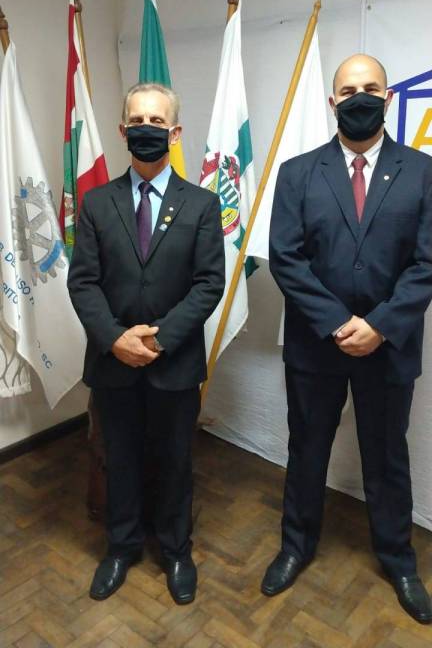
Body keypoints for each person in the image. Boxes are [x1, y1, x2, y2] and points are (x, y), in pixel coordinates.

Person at [263, 54, 432, 624]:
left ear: (388, 98)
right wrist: (338, 322)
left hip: (390, 347)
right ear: (332, 101)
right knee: (307, 449)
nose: (360, 96)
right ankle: (295, 546)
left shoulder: (422, 172)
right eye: (348, 89)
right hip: (317, 346)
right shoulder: (297, 173)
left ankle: (399, 560)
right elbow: (286, 259)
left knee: (386, 457)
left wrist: (379, 325)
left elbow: (427, 263)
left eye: (371, 87)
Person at [68, 82, 225, 604]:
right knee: (120, 457)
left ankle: (177, 551)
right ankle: (121, 547)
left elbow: (209, 284)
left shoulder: (202, 204)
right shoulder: (96, 202)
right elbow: (83, 282)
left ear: (175, 133)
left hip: (173, 363)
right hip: (113, 362)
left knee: (175, 460)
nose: (146, 129)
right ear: (122, 130)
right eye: (137, 121)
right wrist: (115, 338)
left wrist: (159, 340)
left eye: (157, 121)